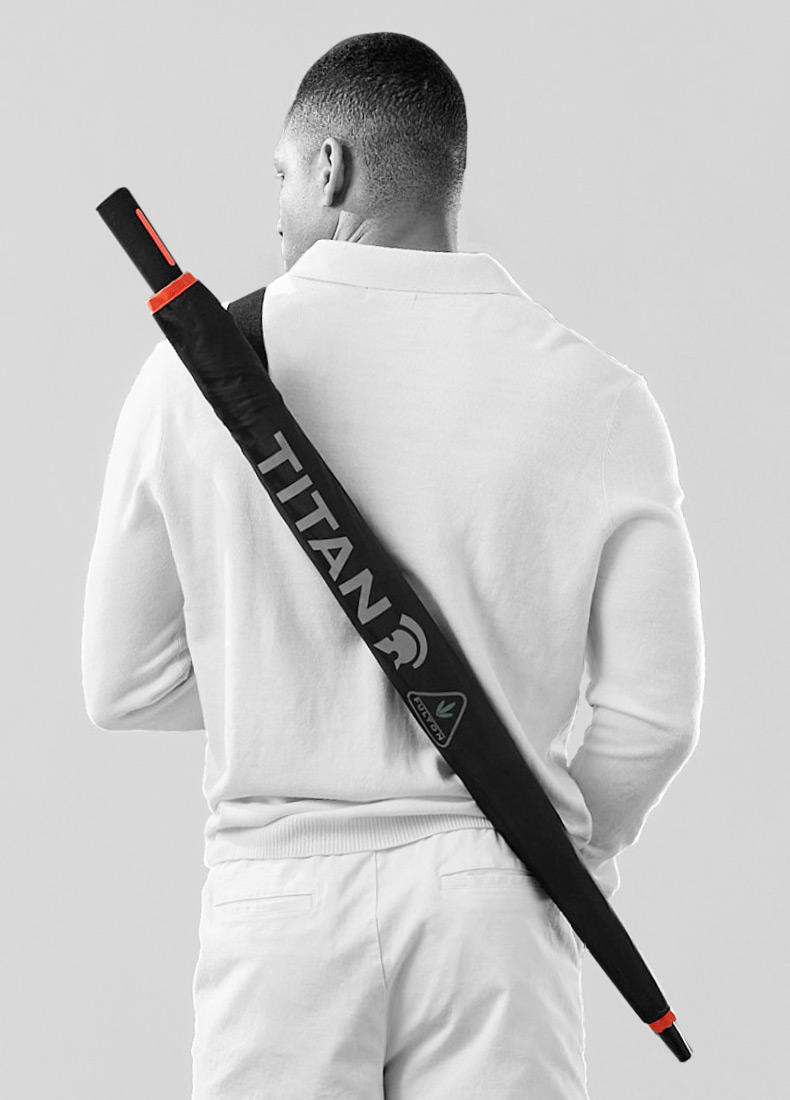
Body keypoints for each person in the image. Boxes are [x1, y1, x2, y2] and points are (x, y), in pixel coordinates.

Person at [81, 30, 705, 1100]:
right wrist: (549, 856)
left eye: (281, 176)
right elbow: (654, 717)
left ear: (329, 167)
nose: (278, 213)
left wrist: (282, 679)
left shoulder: (191, 373)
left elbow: (122, 684)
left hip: (277, 910)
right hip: (496, 904)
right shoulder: (598, 396)